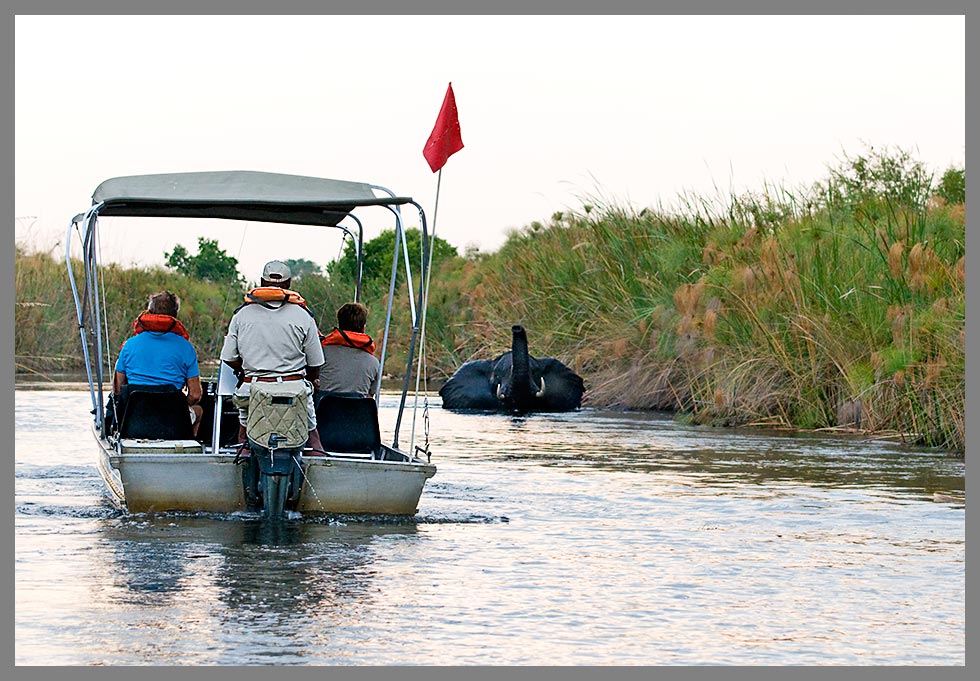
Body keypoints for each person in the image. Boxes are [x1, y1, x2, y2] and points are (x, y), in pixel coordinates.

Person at [220, 260, 325, 452]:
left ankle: (242, 458)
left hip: (253, 387)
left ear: (261, 282)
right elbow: (316, 362)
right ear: (288, 284)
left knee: (243, 436)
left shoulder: (241, 315)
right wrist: (311, 380)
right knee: (313, 437)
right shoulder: (304, 316)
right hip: (294, 389)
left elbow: (228, 357)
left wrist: (243, 371)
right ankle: (318, 459)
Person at [112, 290, 203, 436]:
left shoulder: (129, 345)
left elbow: (117, 389)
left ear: (149, 312)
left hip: (135, 419)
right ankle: (187, 444)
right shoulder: (186, 347)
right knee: (199, 411)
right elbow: (195, 395)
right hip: (173, 420)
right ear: (175, 316)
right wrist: (178, 406)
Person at [319, 302, 382, 397]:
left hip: (325, 410)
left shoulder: (321, 354)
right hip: (358, 411)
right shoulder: (373, 363)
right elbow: (370, 396)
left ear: (339, 324)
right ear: (363, 327)